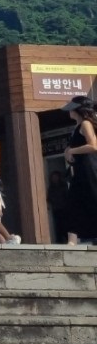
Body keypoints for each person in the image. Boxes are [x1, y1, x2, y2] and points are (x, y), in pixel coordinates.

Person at [62, 96, 97, 244]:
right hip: (80, 170)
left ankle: (73, 241)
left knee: (90, 200)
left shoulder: (86, 124)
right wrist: (69, 152)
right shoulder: (78, 126)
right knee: (75, 202)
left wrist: (72, 151)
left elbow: (93, 145)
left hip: (89, 169)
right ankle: (72, 241)